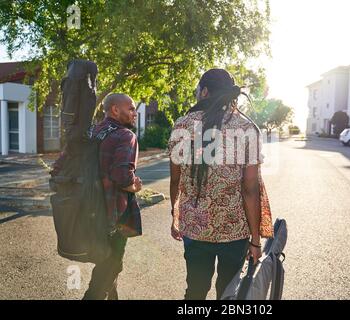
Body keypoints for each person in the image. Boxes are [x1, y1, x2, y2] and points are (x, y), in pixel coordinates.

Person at [168, 69, 273, 300]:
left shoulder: (181, 126)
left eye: (198, 90)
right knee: (228, 292)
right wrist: (256, 241)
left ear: (204, 91)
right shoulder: (247, 128)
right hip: (234, 231)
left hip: (195, 227)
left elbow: (176, 180)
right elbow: (250, 189)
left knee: (195, 290)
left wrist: (174, 215)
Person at [82, 93, 143, 300]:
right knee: (109, 268)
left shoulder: (92, 132)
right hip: (115, 215)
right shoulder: (125, 135)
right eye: (131, 108)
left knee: (108, 263)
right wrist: (134, 186)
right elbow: (121, 176)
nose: (135, 113)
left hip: (89, 210)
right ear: (115, 110)